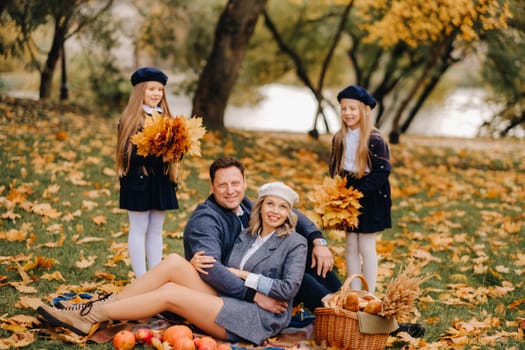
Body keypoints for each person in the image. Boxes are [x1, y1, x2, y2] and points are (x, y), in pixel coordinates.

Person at [37, 182, 308, 346]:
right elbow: (227, 269)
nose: (275, 211)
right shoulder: (248, 234)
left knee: (170, 293)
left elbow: (288, 288)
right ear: (259, 206)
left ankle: (91, 317)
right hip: (236, 298)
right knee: (175, 263)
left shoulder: (295, 242)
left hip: (259, 317)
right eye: (270, 204)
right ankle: (98, 307)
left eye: (282, 207)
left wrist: (245, 276)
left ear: (289, 214)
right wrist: (201, 264)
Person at [183, 157, 342, 312]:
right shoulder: (205, 221)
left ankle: (344, 299)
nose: (230, 191)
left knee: (306, 256)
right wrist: (254, 295)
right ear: (211, 187)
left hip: (253, 269)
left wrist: (317, 240)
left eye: (235, 183)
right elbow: (212, 270)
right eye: (222, 185)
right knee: (301, 281)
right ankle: (338, 314)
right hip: (231, 287)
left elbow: (287, 211)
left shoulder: (243, 205)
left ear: (245, 183)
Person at [116, 67, 179, 277]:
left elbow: (176, 147)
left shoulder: (167, 118)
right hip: (138, 181)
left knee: (155, 230)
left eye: (160, 90)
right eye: (151, 89)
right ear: (140, 91)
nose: (156, 93)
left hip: (161, 181)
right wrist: (159, 157)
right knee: (139, 227)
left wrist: (178, 151)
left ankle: (154, 274)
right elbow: (128, 155)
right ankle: (141, 277)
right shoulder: (131, 119)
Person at [328, 84, 390, 295]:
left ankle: (369, 293)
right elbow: (334, 168)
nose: (348, 113)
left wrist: (360, 193)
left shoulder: (374, 139)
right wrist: (337, 193)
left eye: (353, 108)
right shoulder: (339, 138)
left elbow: (382, 171)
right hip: (349, 193)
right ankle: (354, 293)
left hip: (370, 194)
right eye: (344, 108)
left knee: (365, 245)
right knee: (351, 245)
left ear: (364, 110)